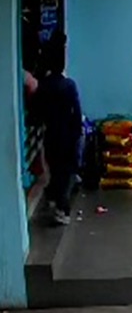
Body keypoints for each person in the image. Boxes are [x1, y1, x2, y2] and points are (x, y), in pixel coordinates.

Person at [33, 44, 82, 226]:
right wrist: (77, 134)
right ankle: (62, 208)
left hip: (51, 135)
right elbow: (76, 112)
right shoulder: (69, 85)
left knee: (55, 170)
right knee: (66, 172)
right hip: (68, 135)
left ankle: (55, 202)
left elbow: (35, 113)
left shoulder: (43, 87)